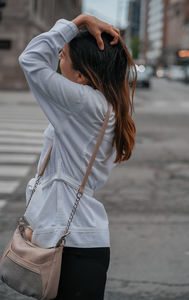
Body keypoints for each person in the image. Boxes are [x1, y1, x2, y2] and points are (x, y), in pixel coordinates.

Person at [18, 13, 137, 300]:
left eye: (63, 57)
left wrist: (78, 21)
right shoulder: (101, 104)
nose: (58, 61)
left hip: (72, 247)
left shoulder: (83, 103)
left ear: (82, 75)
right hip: (76, 242)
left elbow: (31, 59)